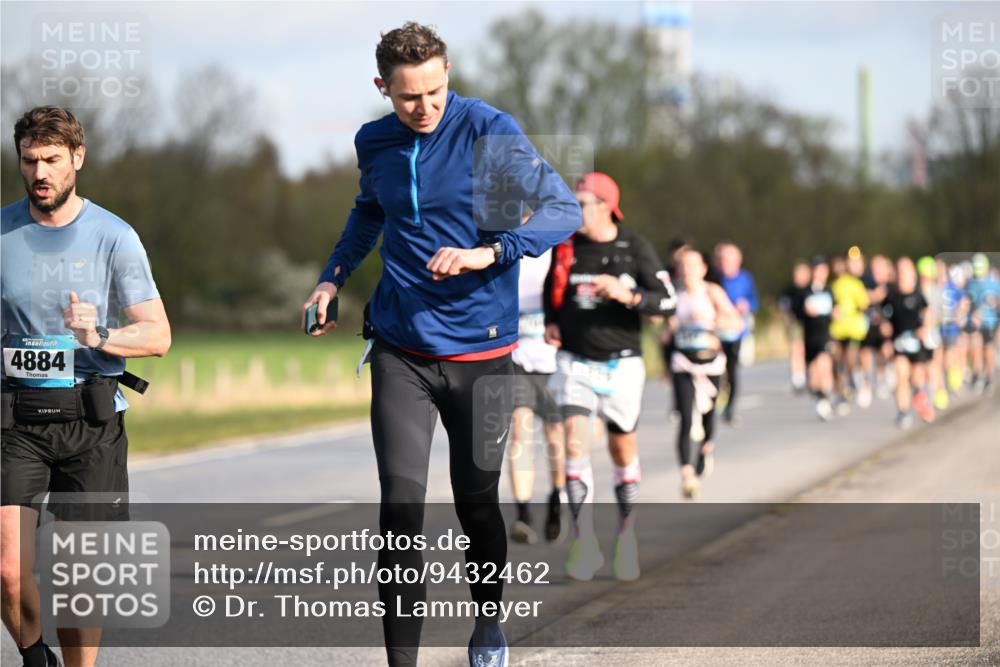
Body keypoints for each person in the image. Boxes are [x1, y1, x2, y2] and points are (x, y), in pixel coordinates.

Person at [301, 23, 580, 667]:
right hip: (402, 347)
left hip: (482, 353)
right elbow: (369, 210)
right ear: (383, 89)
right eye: (407, 98)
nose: (423, 108)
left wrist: (492, 251)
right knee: (400, 508)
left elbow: (561, 210)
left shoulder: (487, 130)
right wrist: (330, 277)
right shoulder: (374, 141)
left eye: (433, 91)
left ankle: (488, 626)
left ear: (448, 72)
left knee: (476, 503)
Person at [1, 106, 171, 667]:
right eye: (29, 161)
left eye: (51, 159)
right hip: (16, 418)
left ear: (78, 157)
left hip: (89, 421)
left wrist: (99, 334)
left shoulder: (114, 236)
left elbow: (157, 335)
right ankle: (33, 655)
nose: (39, 172)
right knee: (7, 567)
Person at [543, 172, 677, 582]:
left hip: (621, 364)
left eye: (581, 203)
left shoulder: (633, 246)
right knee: (573, 443)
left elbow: (667, 302)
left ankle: (626, 535)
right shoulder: (565, 246)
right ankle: (583, 543)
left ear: (604, 206)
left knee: (622, 451)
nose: (575, 210)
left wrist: (628, 295)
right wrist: (552, 322)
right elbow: (553, 291)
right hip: (574, 362)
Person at [507, 212, 566, 546]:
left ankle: (556, 499)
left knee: (556, 436)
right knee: (520, 433)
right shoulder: (505, 249)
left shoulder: (557, 251)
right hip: (516, 357)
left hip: (553, 360)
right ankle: (523, 514)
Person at [668, 249, 742, 499]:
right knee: (686, 418)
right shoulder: (675, 295)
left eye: (692, 265)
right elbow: (664, 324)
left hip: (710, 363)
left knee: (709, 416)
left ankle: (704, 449)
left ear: (702, 269)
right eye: (683, 266)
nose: (688, 270)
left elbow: (736, 323)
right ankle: (687, 476)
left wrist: (711, 323)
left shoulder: (712, 292)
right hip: (683, 362)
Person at [883, 257, 934, 428]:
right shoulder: (892, 296)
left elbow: (927, 312)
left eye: (907, 271)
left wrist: (925, 328)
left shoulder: (918, 295)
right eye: (901, 271)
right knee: (901, 374)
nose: (904, 275)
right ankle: (903, 412)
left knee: (917, 377)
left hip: (917, 344)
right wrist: (886, 338)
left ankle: (919, 394)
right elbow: (884, 319)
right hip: (900, 344)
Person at [712, 242, 758, 425]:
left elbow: (754, 300)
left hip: (736, 333)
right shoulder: (714, 279)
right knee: (716, 368)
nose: (726, 264)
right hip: (715, 332)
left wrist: (747, 305)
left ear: (738, 261)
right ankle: (713, 402)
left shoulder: (745, 278)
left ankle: (730, 408)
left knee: (731, 371)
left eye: (730, 260)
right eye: (722, 260)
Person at [792, 257, 836, 420]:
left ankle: (825, 398)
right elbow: (796, 313)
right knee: (813, 374)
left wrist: (836, 313)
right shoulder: (804, 292)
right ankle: (819, 396)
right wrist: (805, 310)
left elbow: (836, 310)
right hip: (810, 336)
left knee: (824, 364)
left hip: (825, 334)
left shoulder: (830, 290)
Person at [829, 251, 870, 413]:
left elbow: (863, 304)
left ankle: (858, 382)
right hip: (837, 330)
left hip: (853, 329)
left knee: (850, 360)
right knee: (837, 363)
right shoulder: (832, 285)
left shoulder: (854, 283)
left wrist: (851, 309)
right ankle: (842, 393)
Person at [860, 254, 894, 400]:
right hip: (869, 323)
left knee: (885, 349)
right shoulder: (866, 281)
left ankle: (882, 377)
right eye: (875, 267)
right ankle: (866, 380)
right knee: (866, 350)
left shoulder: (892, 285)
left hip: (886, 324)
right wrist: (873, 296)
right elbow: (863, 298)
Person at [966, 253, 1000, 395]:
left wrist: (994, 303)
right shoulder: (971, 283)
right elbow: (967, 301)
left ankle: (989, 377)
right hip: (975, 322)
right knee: (976, 347)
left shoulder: (993, 283)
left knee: (988, 349)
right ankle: (978, 373)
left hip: (990, 322)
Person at [778, 260, 811, 394]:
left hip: (810, 325)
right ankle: (797, 376)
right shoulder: (789, 290)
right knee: (796, 348)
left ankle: (807, 373)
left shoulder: (810, 289)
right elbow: (783, 306)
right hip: (795, 323)